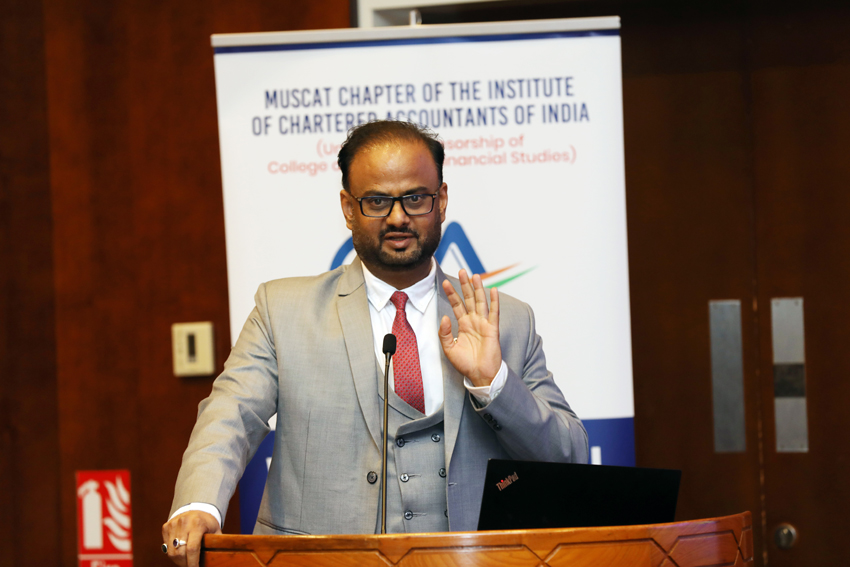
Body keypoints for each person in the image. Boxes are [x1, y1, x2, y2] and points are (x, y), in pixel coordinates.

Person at [161, 120, 588, 567]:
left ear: (441, 201)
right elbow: (230, 414)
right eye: (378, 201)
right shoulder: (282, 311)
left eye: (415, 198)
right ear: (348, 208)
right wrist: (198, 505)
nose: (398, 218)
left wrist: (493, 383)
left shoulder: (506, 321)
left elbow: (570, 459)